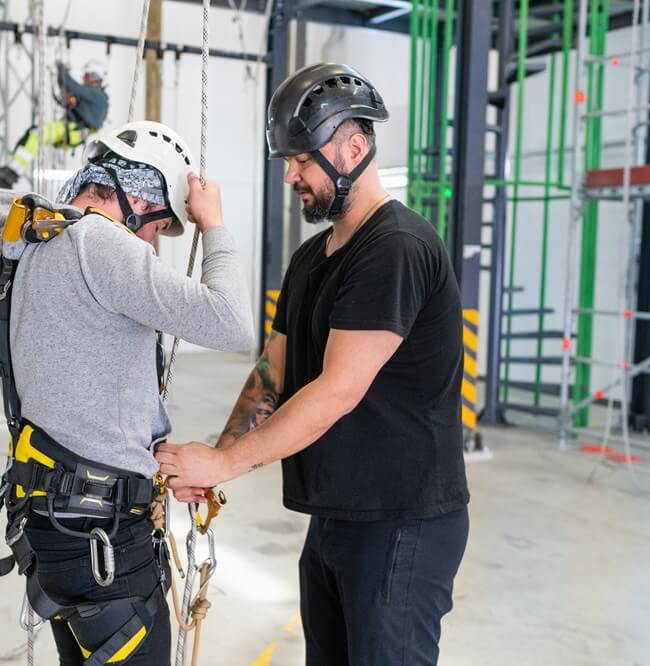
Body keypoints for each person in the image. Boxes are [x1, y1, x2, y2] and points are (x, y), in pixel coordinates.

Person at [156, 63, 471, 665]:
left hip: (402, 524)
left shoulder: (395, 248)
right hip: (339, 515)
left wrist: (224, 462)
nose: (291, 175)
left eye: (302, 159)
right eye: (288, 160)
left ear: (354, 148)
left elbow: (336, 391)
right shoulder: (310, 259)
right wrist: (219, 462)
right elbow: (272, 372)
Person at [0, 119, 253, 665]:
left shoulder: (16, 245)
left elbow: (73, 380)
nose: (151, 243)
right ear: (138, 198)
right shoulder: (99, 244)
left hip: (49, 525)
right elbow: (233, 323)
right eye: (158, 226)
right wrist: (213, 225)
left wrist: (148, 455)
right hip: (104, 541)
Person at [0, 61, 110, 189]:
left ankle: (13, 173)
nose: (83, 78)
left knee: (36, 135)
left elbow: (72, 86)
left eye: (87, 75)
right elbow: (70, 91)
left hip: (72, 130)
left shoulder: (97, 95)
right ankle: (10, 170)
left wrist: (61, 68)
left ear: (94, 77)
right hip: (71, 129)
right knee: (32, 132)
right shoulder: (94, 97)